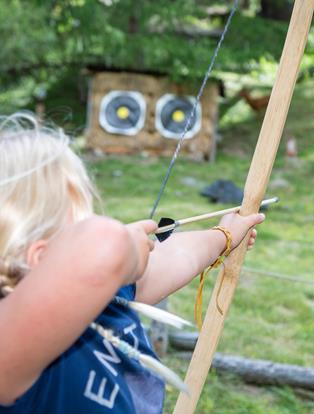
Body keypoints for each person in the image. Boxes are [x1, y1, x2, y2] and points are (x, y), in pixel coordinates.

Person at [0, 114, 265, 414]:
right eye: (80, 221)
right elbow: (105, 243)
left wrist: (224, 235)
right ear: (39, 256)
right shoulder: (10, 341)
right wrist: (125, 251)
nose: (95, 223)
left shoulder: (100, 295)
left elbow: (175, 257)